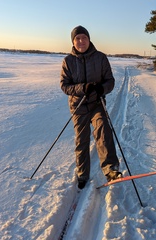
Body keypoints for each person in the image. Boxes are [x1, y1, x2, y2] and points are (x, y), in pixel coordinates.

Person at [60, 25, 122, 189]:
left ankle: (111, 170)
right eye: (77, 38)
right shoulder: (68, 61)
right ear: (73, 42)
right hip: (78, 106)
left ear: (89, 39)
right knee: (82, 139)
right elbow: (65, 86)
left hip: (96, 104)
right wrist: (82, 88)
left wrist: (102, 88)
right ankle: (82, 173)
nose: (81, 41)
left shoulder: (101, 58)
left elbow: (110, 81)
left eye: (84, 38)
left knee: (103, 129)